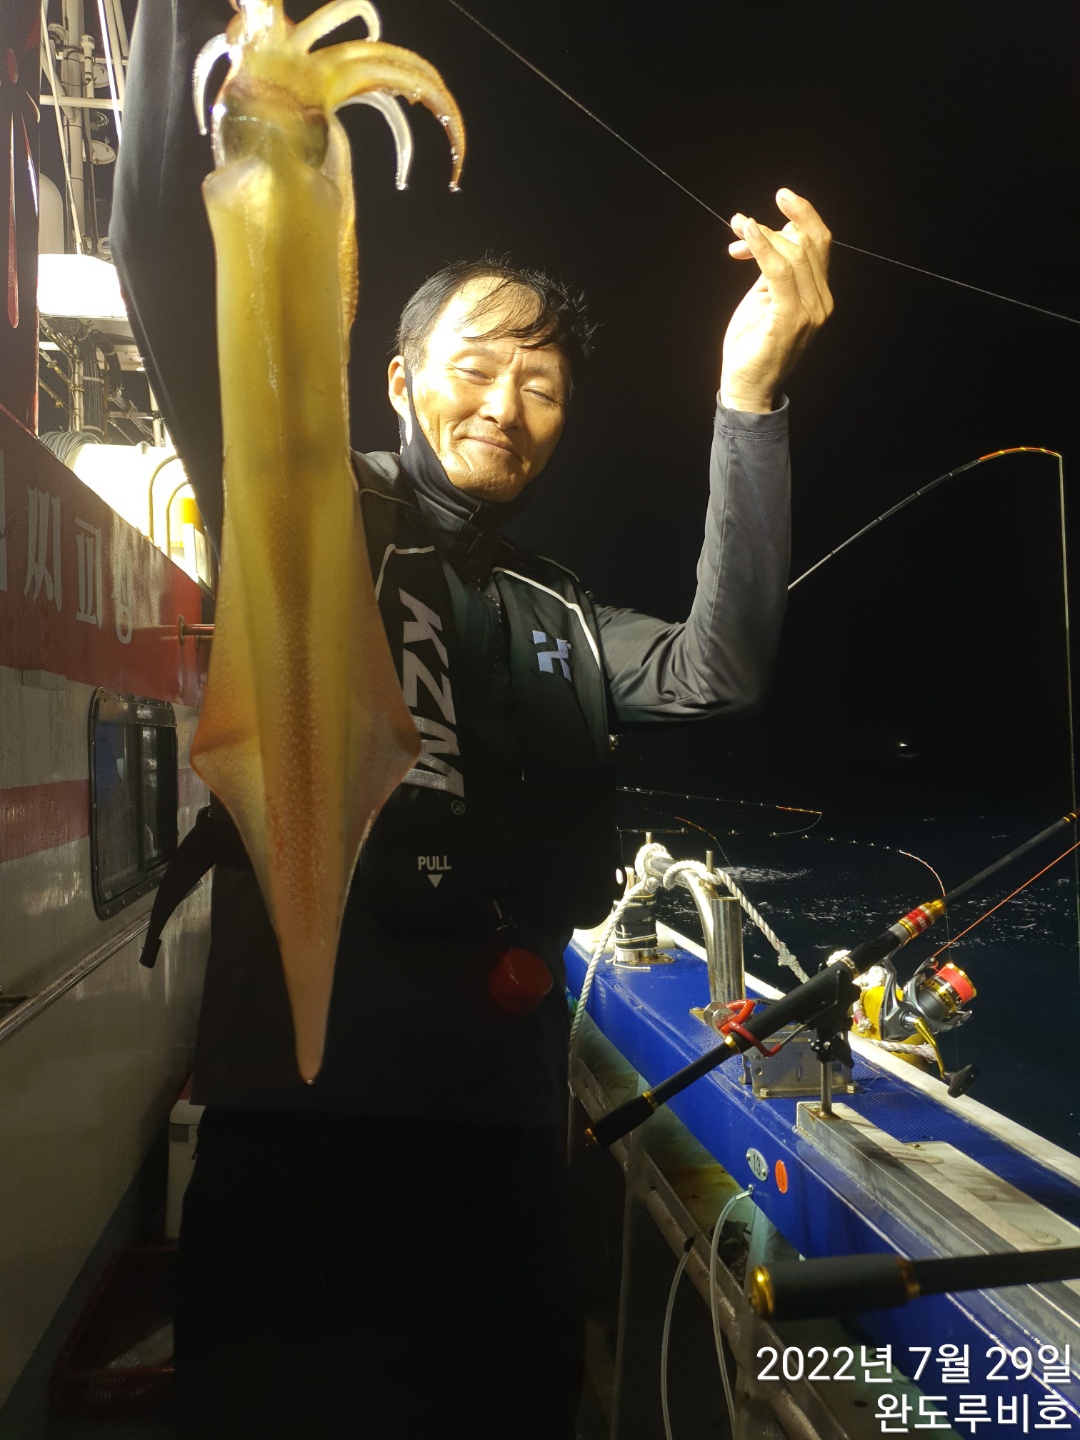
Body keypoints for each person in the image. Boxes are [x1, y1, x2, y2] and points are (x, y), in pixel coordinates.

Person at [110, 5, 832, 1438]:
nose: (508, 403)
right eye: (477, 365)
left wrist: (748, 395)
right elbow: (154, 249)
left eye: (543, 385)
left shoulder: (561, 609)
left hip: (503, 1157)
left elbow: (720, 668)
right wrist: (234, 95)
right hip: (302, 1155)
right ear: (397, 379)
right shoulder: (297, 504)